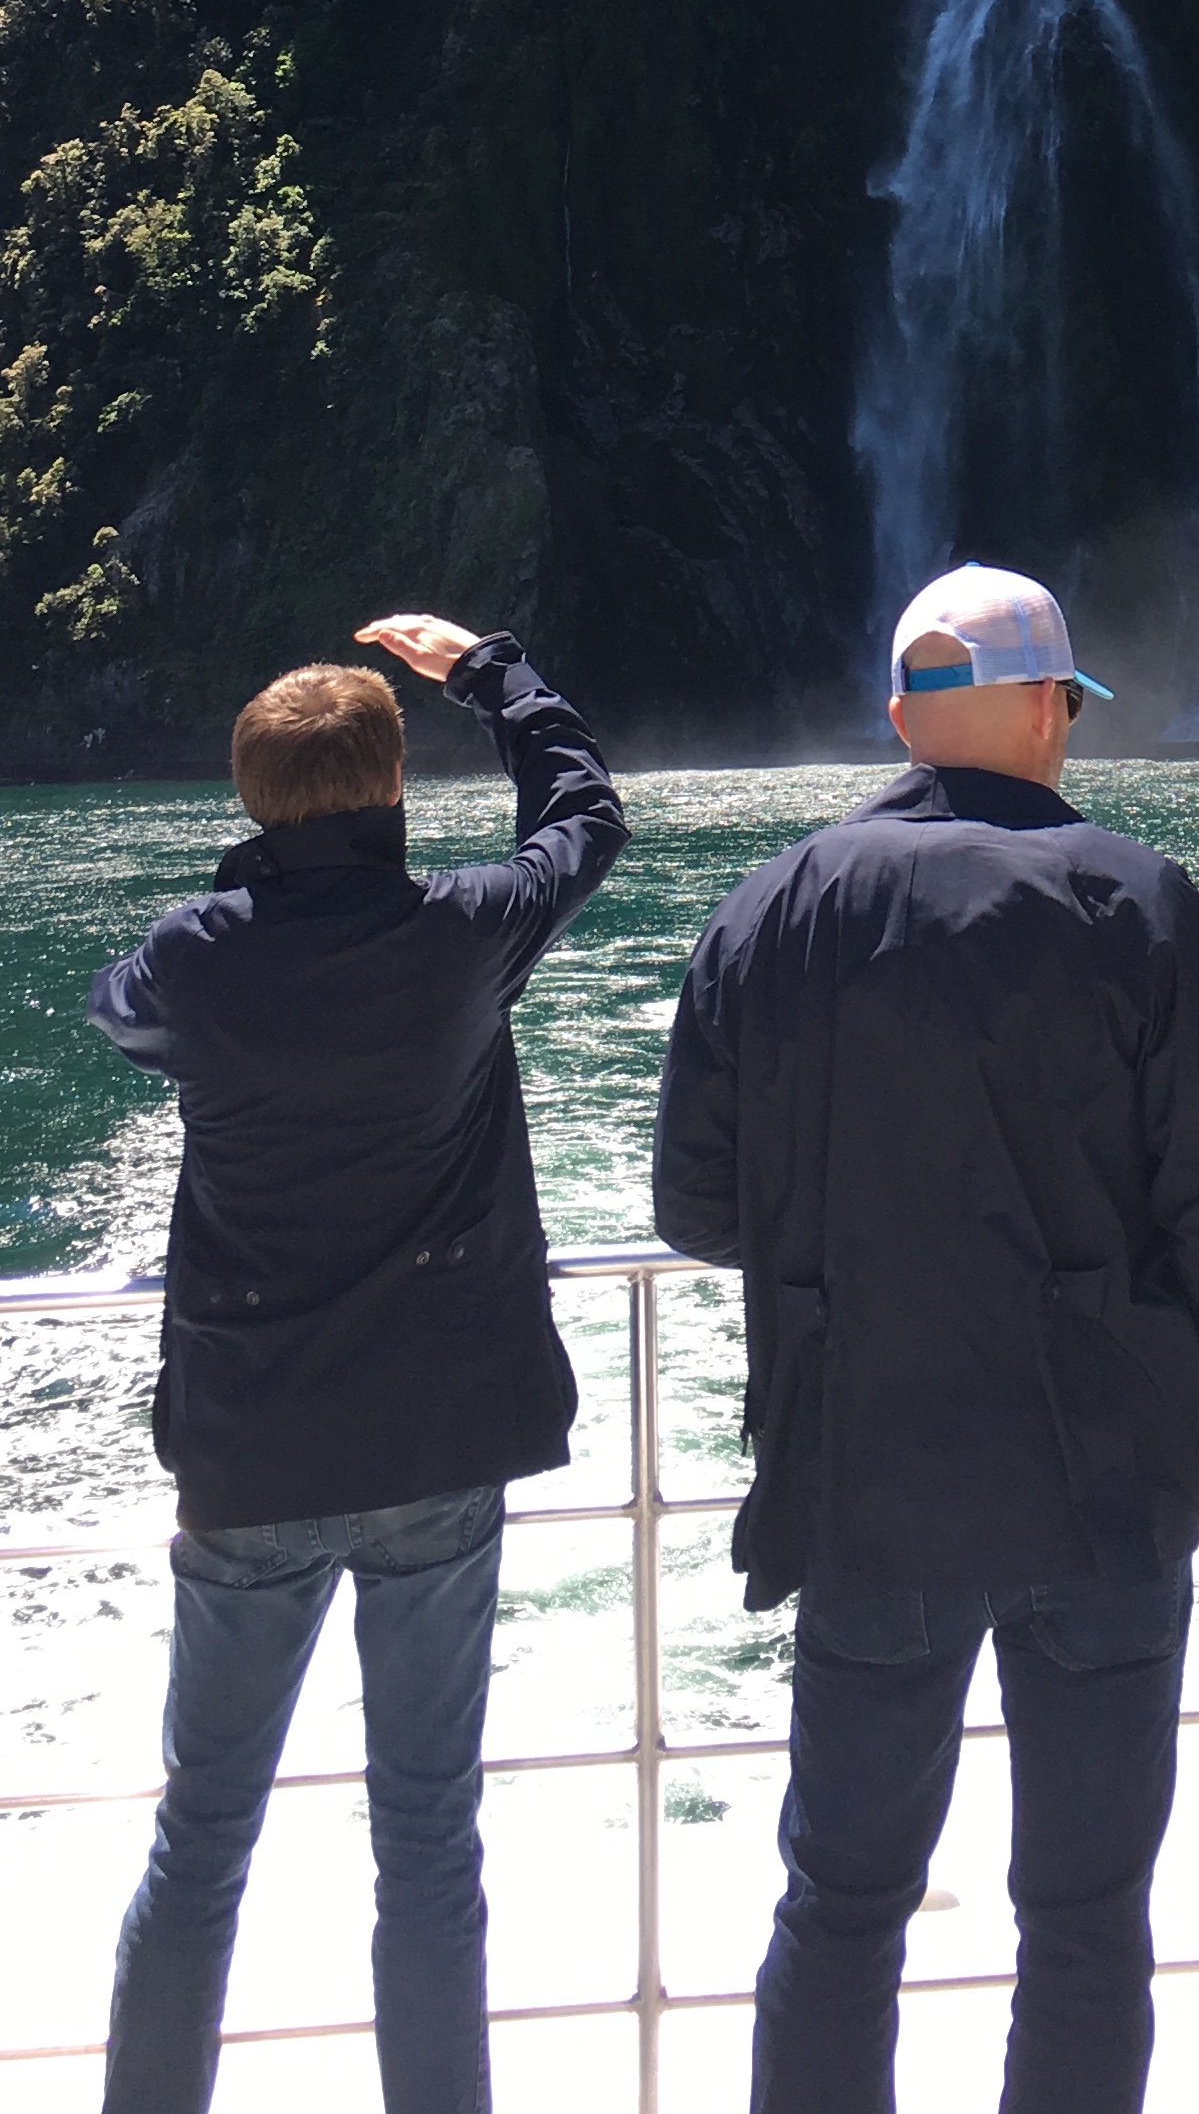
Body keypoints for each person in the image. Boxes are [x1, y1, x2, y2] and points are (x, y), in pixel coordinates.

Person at [652, 560, 1199, 2114]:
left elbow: (691, 1201)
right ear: (1036, 707)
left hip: (866, 1479)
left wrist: (841, 1249)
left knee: (841, 1902)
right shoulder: (1134, 898)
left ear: (900, 720)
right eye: (1068, 705)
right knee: (1084, 1916)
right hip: (1102, 1485)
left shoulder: (772, 904)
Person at [90, 617, 629, 2114]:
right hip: (438, 1445)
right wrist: (492, 672)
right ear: (395, 795)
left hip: (254, 1449)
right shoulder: (462, 931)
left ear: (252, 802)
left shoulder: (199, 964)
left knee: (201, 1840)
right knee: (429, 1836)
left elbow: (117, 1011)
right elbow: (585, 814)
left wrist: (231, 910)